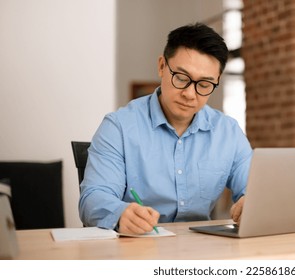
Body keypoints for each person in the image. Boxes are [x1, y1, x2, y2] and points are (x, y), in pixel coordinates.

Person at [78, 23, 252, 234]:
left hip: (202, 250)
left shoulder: (228, 132)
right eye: (181, 78)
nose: (190, 94)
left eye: (204, 85)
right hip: (136, 248)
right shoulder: (119, 127)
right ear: (162, 66)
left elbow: (253, 191)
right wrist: (120, 213)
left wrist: (251, 203)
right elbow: (92, 198)